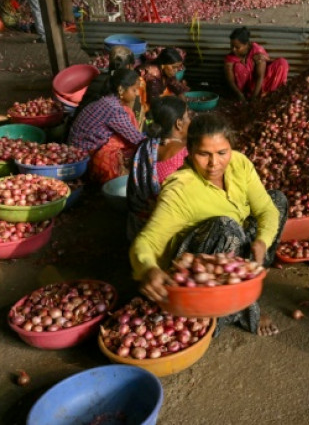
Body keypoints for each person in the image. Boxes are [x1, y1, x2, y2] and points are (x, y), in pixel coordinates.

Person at [131, 113, 288, 336]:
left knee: (277, 200)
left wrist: (262, 242)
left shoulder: (239, 163)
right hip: (199, 257)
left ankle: (249, 276)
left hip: (234, 244)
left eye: (222, 153)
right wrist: (148, 269)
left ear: (231, 148)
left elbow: (266, 209)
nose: (214, 163)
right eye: (204, 154)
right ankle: (226, 313)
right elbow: (146, 241)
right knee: (226, 227)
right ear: (190, 150)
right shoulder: (179, 190)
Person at [126, 96, 191, 242]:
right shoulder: (184, 153)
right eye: (187, 117)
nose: (190, 121)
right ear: (179, 124)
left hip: (139, 223)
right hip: (164, 226)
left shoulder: (144, 147)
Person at [68, 67, 146, 183]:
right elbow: (137, 139)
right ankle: (107, 178)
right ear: (121, 90)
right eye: (134, 90)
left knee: (127, 114)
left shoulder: (107, 101)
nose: (136, 94)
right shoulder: (114, 109)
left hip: (75, 148)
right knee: (135, 146)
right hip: (82, 158)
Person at [224, 27, 289, 102]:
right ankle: (249, 95)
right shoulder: (230, 58)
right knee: (239, 67)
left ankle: (269, 95)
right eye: (231, 46)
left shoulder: (257, 51)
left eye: (237, 47)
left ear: (247, 45)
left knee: (282, 62)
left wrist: (253, 98)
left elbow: (260, 76)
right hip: (247, 89)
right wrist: (239, 94)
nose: (233, 49)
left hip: (261, 83)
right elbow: (230, 80)